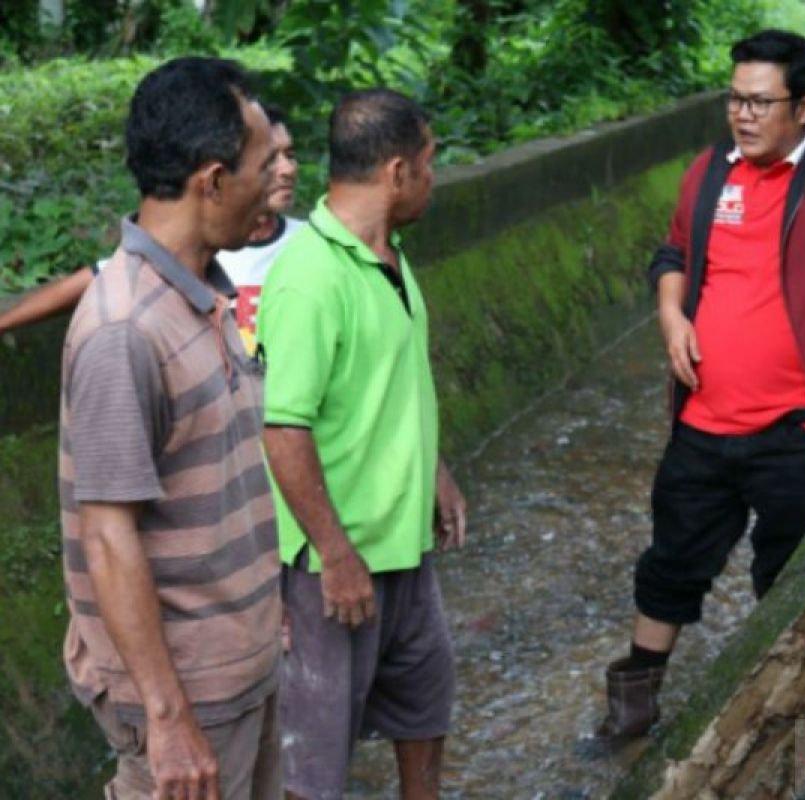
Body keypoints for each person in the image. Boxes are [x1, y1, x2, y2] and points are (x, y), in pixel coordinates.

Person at [593, 29, 805, 746]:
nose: (743, 114)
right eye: (735, 98)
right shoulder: (708, 175)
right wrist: (669, 314)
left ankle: (782, 720)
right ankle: (633, 708)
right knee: (670, 565)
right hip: (702, 423)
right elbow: (674, 252)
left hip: (798, 432)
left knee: (790, 577)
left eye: (761, 102)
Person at [58, 57, 284, 799]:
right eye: (262, 163)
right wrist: (168, 718)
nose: (275, 180)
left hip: (237, 669)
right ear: (213, 180)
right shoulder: (125, 331)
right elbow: (107, 536)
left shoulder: (202, 296)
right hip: (190, 698)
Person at [258, 89, 466, 800]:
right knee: (314, 764)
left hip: (406, 553)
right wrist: (335, 553)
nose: (434, 177)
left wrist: (432, 468)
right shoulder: (311, 277)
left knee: (424, 712)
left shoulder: (389, 259)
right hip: (335, 570)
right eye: (431, 163)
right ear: (398, 171)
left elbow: (388, 384)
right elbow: (283, 426)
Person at [0, 105, 301, 350]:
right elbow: (99, 276)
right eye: (269, 160)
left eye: (290, 155)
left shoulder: (311, 245)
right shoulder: (195, 248)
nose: (286, 170)